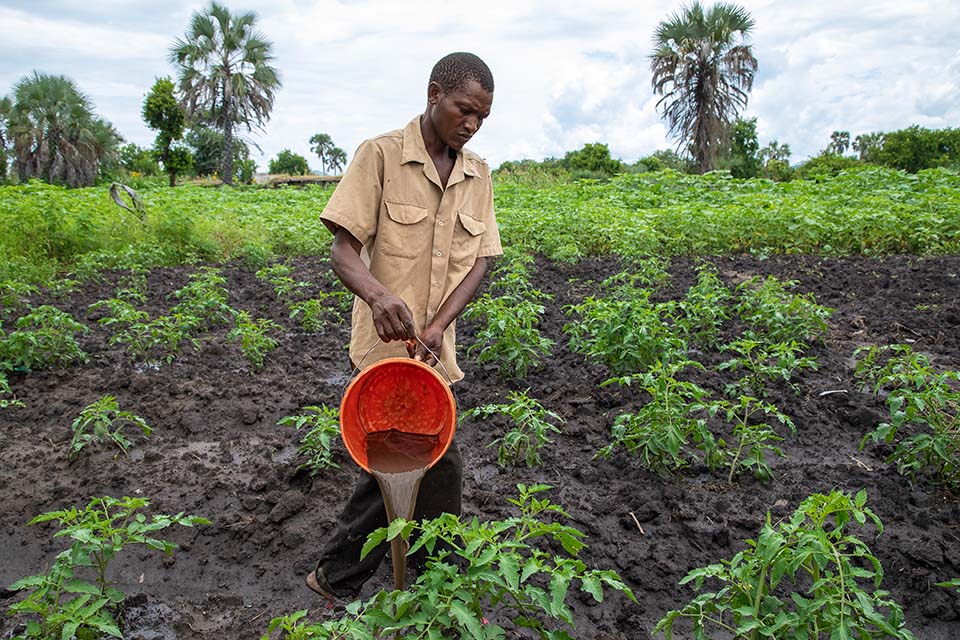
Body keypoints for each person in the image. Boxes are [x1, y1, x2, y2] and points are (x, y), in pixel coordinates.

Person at [306, 52, 501, 600]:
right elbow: (343, 250)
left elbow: (482, 259)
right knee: (413, 454)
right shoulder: (381, 156)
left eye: (482, 117)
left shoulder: (477, 173)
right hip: (383, 349)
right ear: (435, 93)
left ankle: (418, 574)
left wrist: (439, 325)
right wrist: (378, 296)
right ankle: (381, 577)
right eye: (464, 110)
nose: (471, 124)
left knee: (427, 459)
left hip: (435, 353)